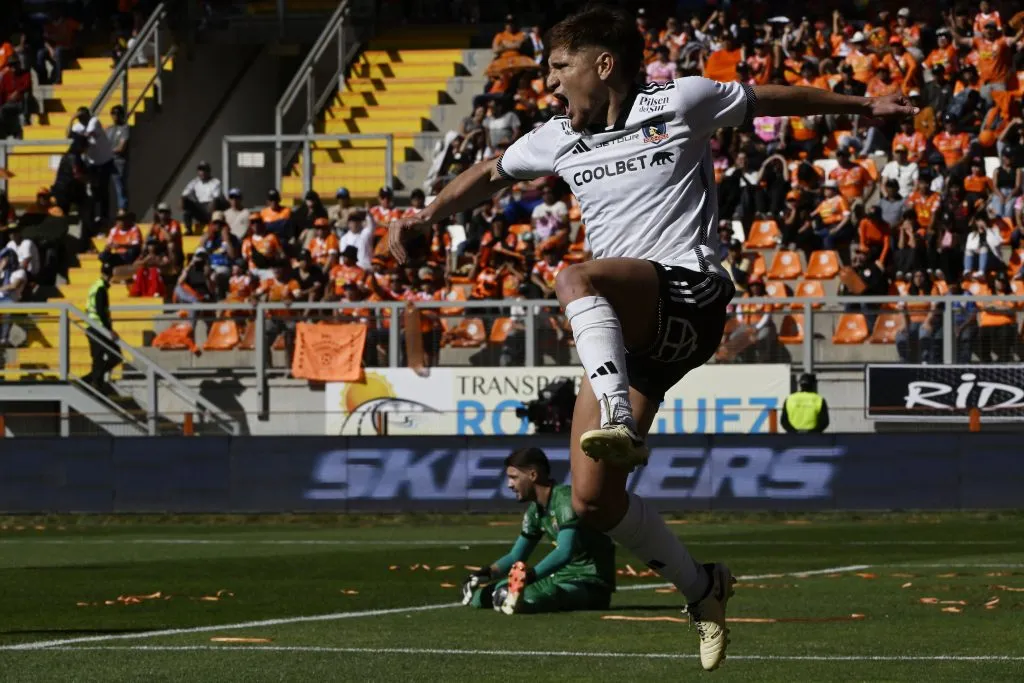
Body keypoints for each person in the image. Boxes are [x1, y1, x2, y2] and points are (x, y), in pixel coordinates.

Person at [388, 6, 915, 670]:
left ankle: (617, 416)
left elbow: (771, 98)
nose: (550, 85)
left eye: (558, 67)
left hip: (691, 294)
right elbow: (493, 174)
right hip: (633, 332)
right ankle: (704, 588)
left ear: (602, 65)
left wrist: (867, 105)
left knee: (576, 275)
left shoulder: (683, 99)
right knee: (591, 499)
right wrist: (427, 215)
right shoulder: (558, 136)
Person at [461, 447, 615, 615]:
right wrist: (485, 574)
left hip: (589, 584)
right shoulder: (535, 511)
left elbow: (564, 552)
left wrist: (529, 577)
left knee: (539, 596)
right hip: (559, 579)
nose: (509, 484)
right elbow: (515, 556)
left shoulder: (565, 501)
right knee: (484, 596)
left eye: (514, 477)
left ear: (533, 475)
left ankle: (522, 606)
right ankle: (516, 602)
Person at [69, 107, 115, 230]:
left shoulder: (94, 121)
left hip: (104, 160)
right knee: (94, 190)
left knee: (103, 189)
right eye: (79, 118)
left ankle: (104, 216)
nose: (81, 120)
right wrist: (72, 119)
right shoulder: (77, 125)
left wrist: (77, 135)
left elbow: (86, 136)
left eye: (83, 117)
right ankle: (96, 216)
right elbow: (68, 135)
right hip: (92, 162)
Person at [84, 261, 120, 390]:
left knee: (98, 359)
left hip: (92, 326)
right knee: (114, 355)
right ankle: (91, 381)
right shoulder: (101, 288)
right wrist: (109, 330)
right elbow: (100, 311)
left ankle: (92, 381)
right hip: (97, 328)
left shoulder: (96, 285)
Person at [180, 161, 223, 234]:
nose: (202, 172)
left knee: (217, 201)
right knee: (186, 202)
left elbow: (216, 198)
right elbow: (184, 194)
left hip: (211, 208)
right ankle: (188, 229)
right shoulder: (194, 181)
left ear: (209, 171)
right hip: (200, 208)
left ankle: (212, 228)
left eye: (204, 170)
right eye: (200, 170)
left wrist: (210, 209)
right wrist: (182, 201)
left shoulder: (215, 182)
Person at [108, 105, 130, 211]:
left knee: (119, 187)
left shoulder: (124, 128)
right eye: (113, 113)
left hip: (118, 161)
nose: (115, 116)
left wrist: (108, 151)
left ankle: (122, 209)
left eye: (117, 113)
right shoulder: (109, 129)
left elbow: (121, 147)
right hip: (107, 160)